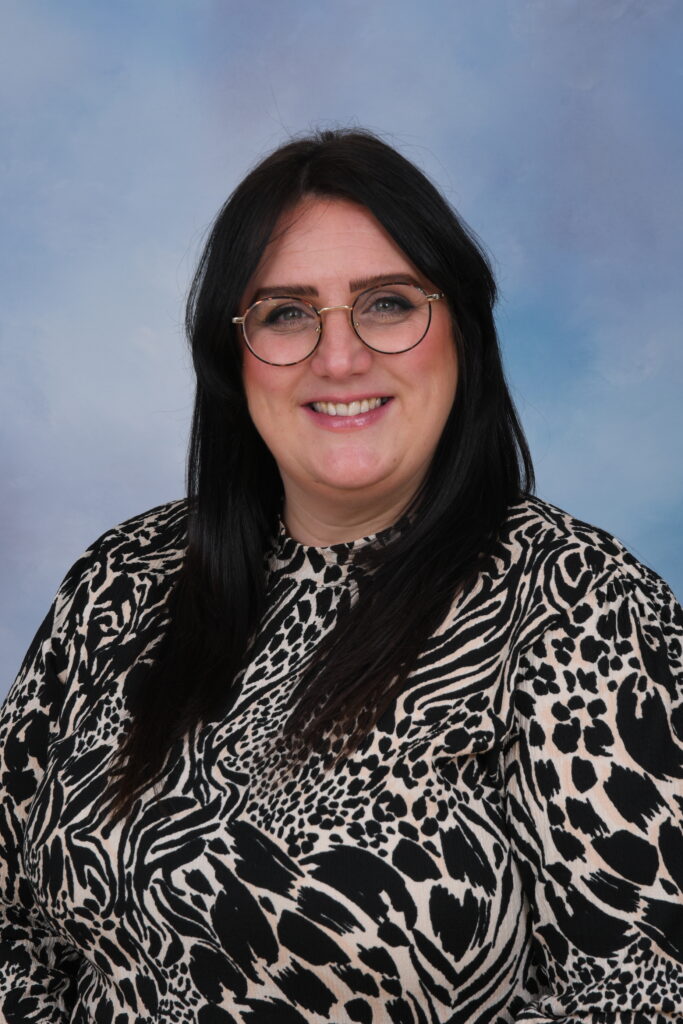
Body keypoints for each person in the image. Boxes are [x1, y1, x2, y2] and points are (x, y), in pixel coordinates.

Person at [1, 128, 681, 1024]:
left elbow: (643, 992)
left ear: (462, 329)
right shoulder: (122, 580)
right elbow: (13, 936)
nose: (339, 357)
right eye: (285, 313)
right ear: (231, 354)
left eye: (387, 303)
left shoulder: (582, 604)